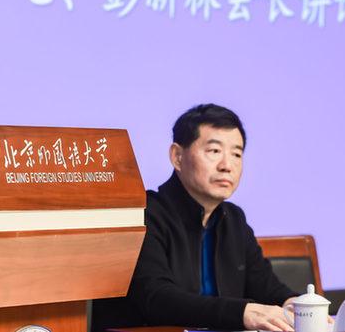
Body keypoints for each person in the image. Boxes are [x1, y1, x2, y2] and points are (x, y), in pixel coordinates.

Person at [92, 104, 297, 332]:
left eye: (236, 154)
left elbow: (268, 289)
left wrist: (297, 305)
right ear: (177, 157)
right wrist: (241, 313)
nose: (227, 166)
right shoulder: (144, 214)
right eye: (214, 151)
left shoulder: (234, 220)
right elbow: (157, 299)